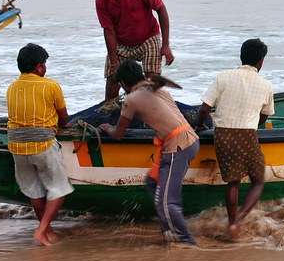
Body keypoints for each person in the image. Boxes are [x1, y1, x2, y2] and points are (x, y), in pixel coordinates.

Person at [100, 60, 199, 245]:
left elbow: (119, 134)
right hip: (190, 139)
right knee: (153, 182)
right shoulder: (157, 89)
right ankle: (167, 229)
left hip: (177, 147)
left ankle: (185, 241)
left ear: (123, 84)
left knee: (166, 202)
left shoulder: (131, 99)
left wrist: (107, 128)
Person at [196, 38, 274, 240]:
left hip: (222, 134)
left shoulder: (223, 77)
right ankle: (238, 220)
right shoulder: (266, 85)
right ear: (261, 61)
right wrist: (254, 122)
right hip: (247, 135)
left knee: (233, 182)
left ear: (241, 57)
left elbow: (204, 108)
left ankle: (231, 223)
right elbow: (265, 114)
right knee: (257, 181)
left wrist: (198, 125)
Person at [6, 43, 73, 246]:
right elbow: (64, 119)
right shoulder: (51, 85)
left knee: (34, 190)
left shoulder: (12, 87)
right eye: (44, 64)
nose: (45, 68)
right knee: (59, 189)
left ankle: (47, 230)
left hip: (16, 145)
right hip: (42, 144)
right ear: (39, 67)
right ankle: (42, 230)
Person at [96, 0, 174, 105]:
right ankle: (109, 110)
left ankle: (153, 110)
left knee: (151, 79)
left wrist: (165, 45)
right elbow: (109, 31)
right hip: (121, 43)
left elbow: (161, 10)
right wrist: (113, 62)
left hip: (147, 38)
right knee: (112, 79)